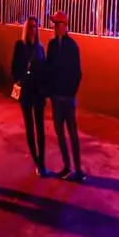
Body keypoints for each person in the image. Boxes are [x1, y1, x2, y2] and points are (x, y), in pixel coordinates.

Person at [45, 11, 86, 182]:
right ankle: (67, 166)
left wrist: (70, 92)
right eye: (54, 24)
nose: (54, 27)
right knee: (60, 134)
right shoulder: (52, 45)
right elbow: (49, 69)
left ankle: (78, 169)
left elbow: (77, 73)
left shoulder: (72, 46)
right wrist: (51, 92)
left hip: (67, 98)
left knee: (73, 134)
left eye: (57, 24)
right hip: (57, 98)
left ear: (64, 25)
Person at [12, 16, 49, 176]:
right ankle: (36, 160)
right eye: (31, 26)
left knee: (40, 128)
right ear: (26, 29)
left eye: (35, 26)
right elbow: (13, 69)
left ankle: (42, 162)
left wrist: (45, 90)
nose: (33, 29)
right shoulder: (20, 46)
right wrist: (21, 79)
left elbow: (45, 70)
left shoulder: (40, 48)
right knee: (29, 127)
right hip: (27, 91)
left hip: (38, 92)